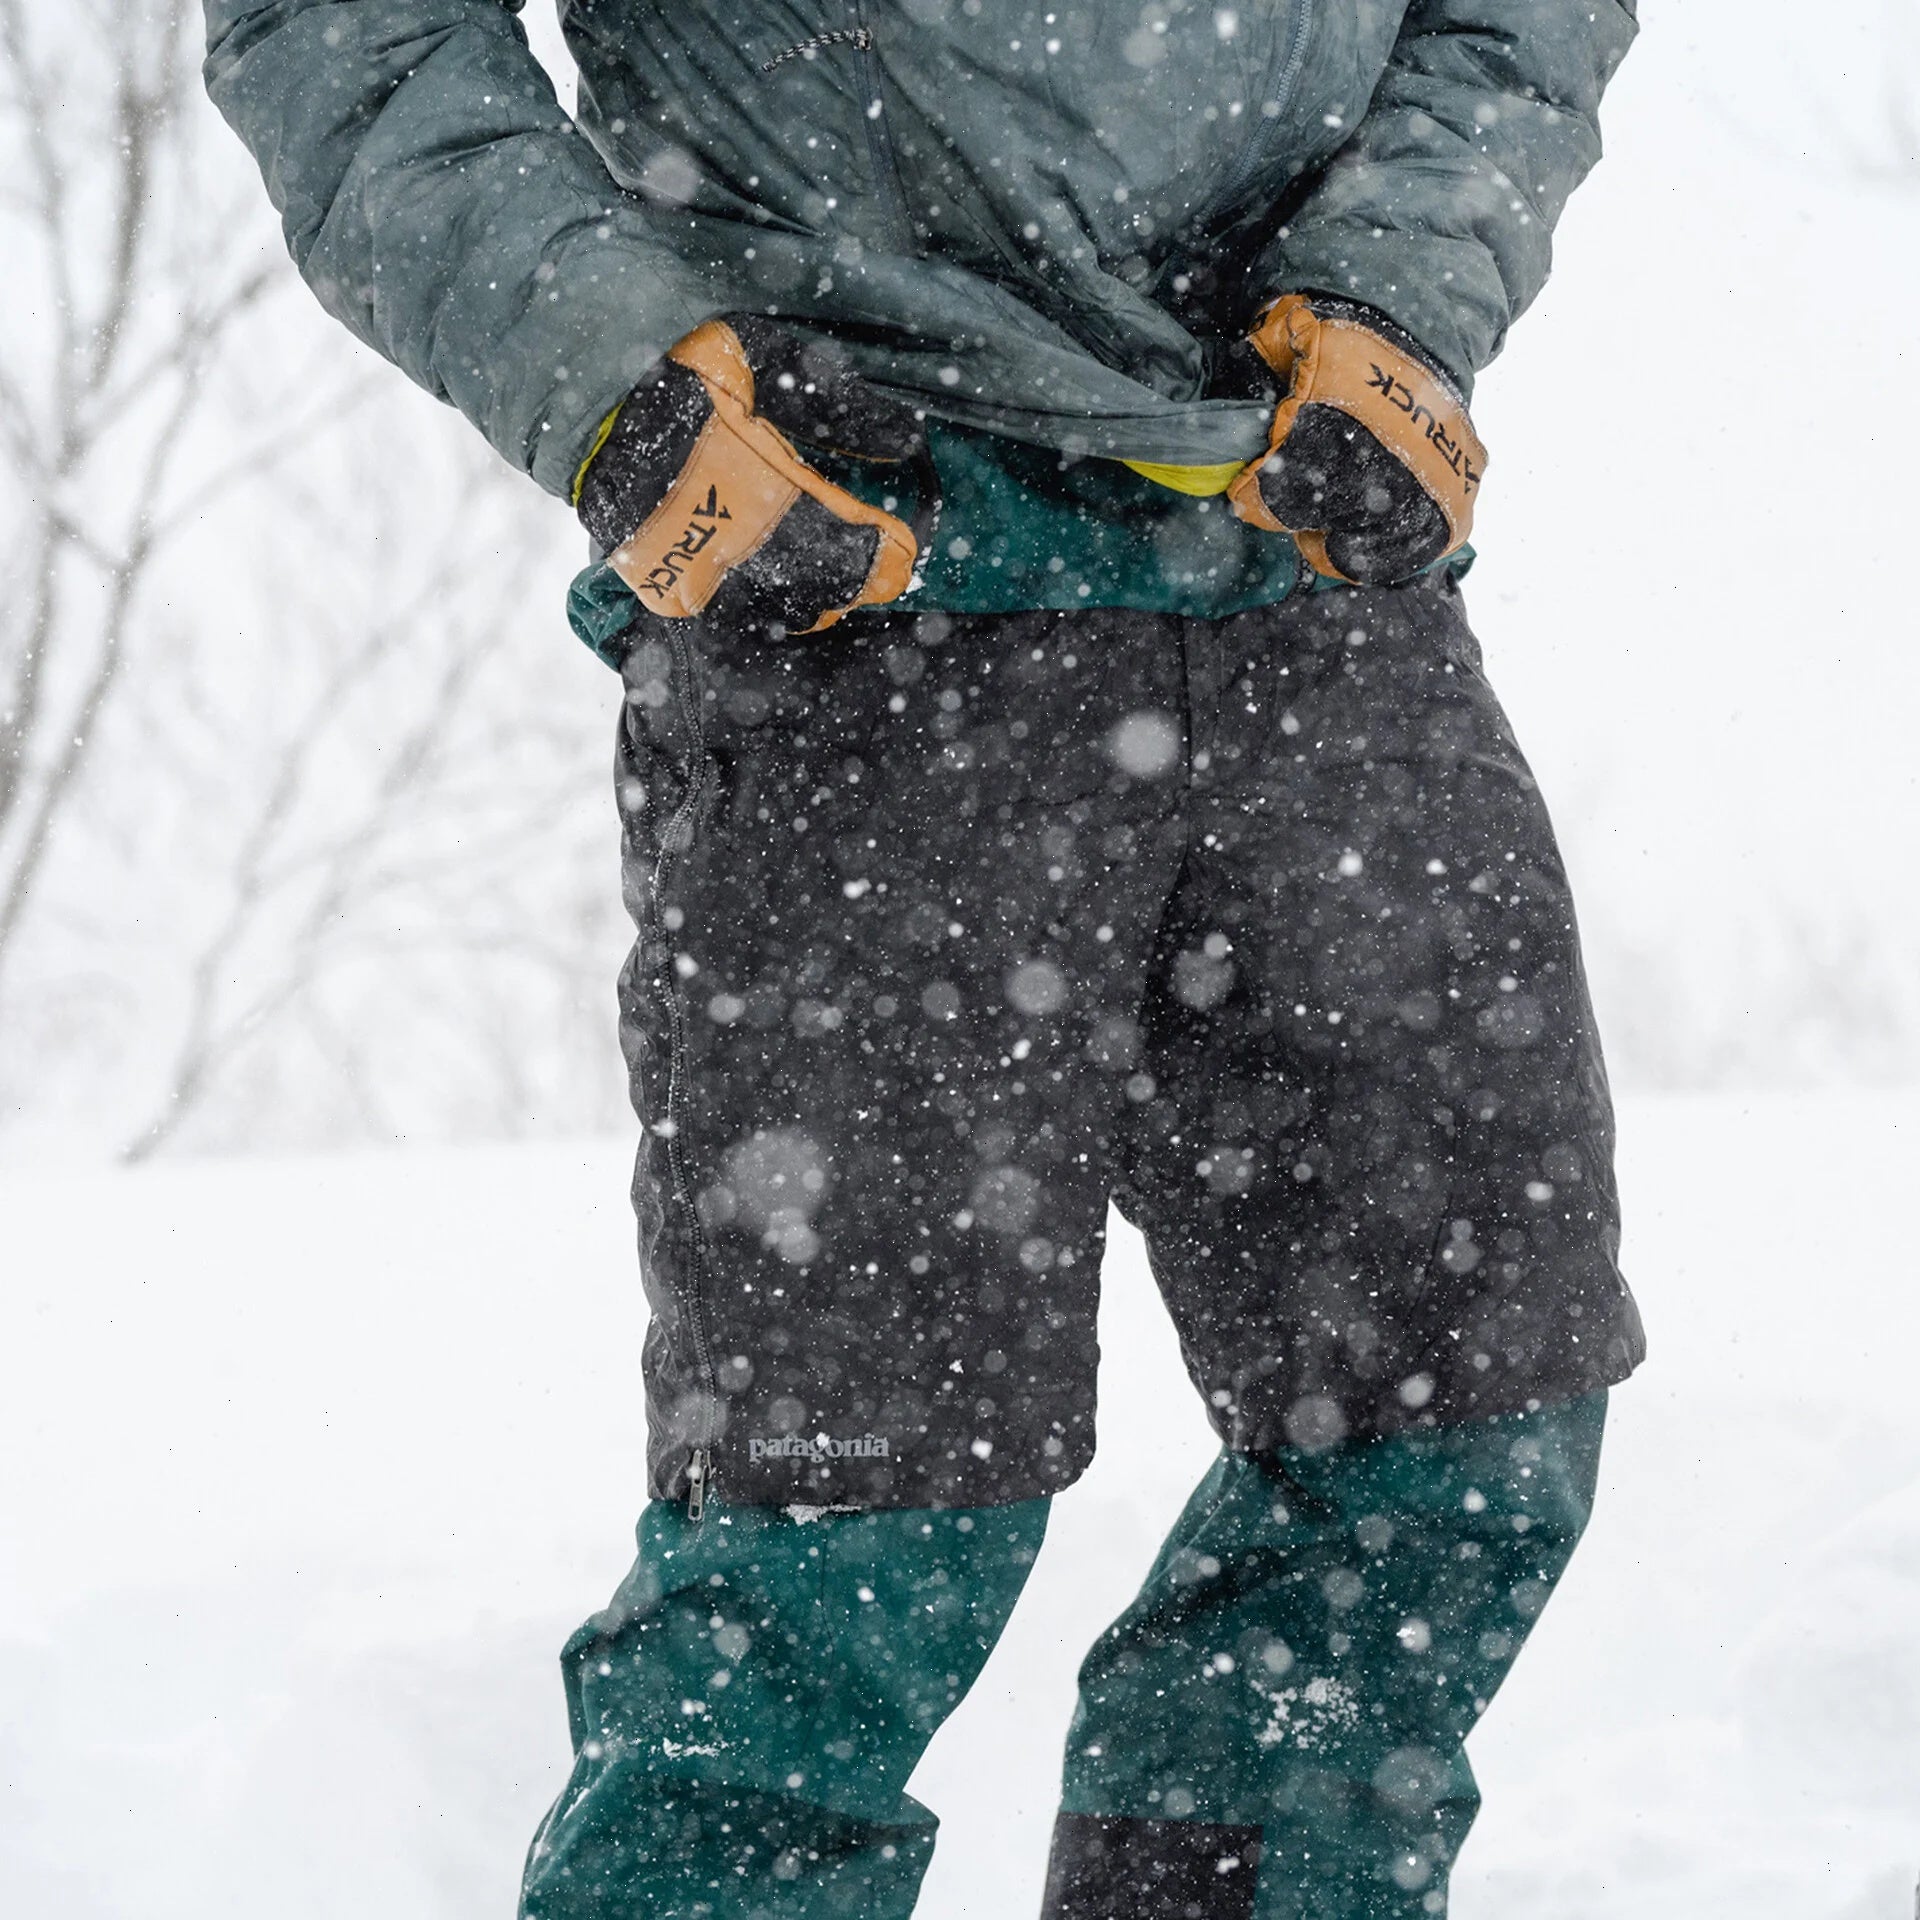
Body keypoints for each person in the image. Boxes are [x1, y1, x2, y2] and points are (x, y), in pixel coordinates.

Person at [204, 3, 1646, 1914]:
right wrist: (612, 373)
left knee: (1458, 1423)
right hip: (862, 576)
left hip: (1309, 562)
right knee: (847, 1529)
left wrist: (1403, 275)